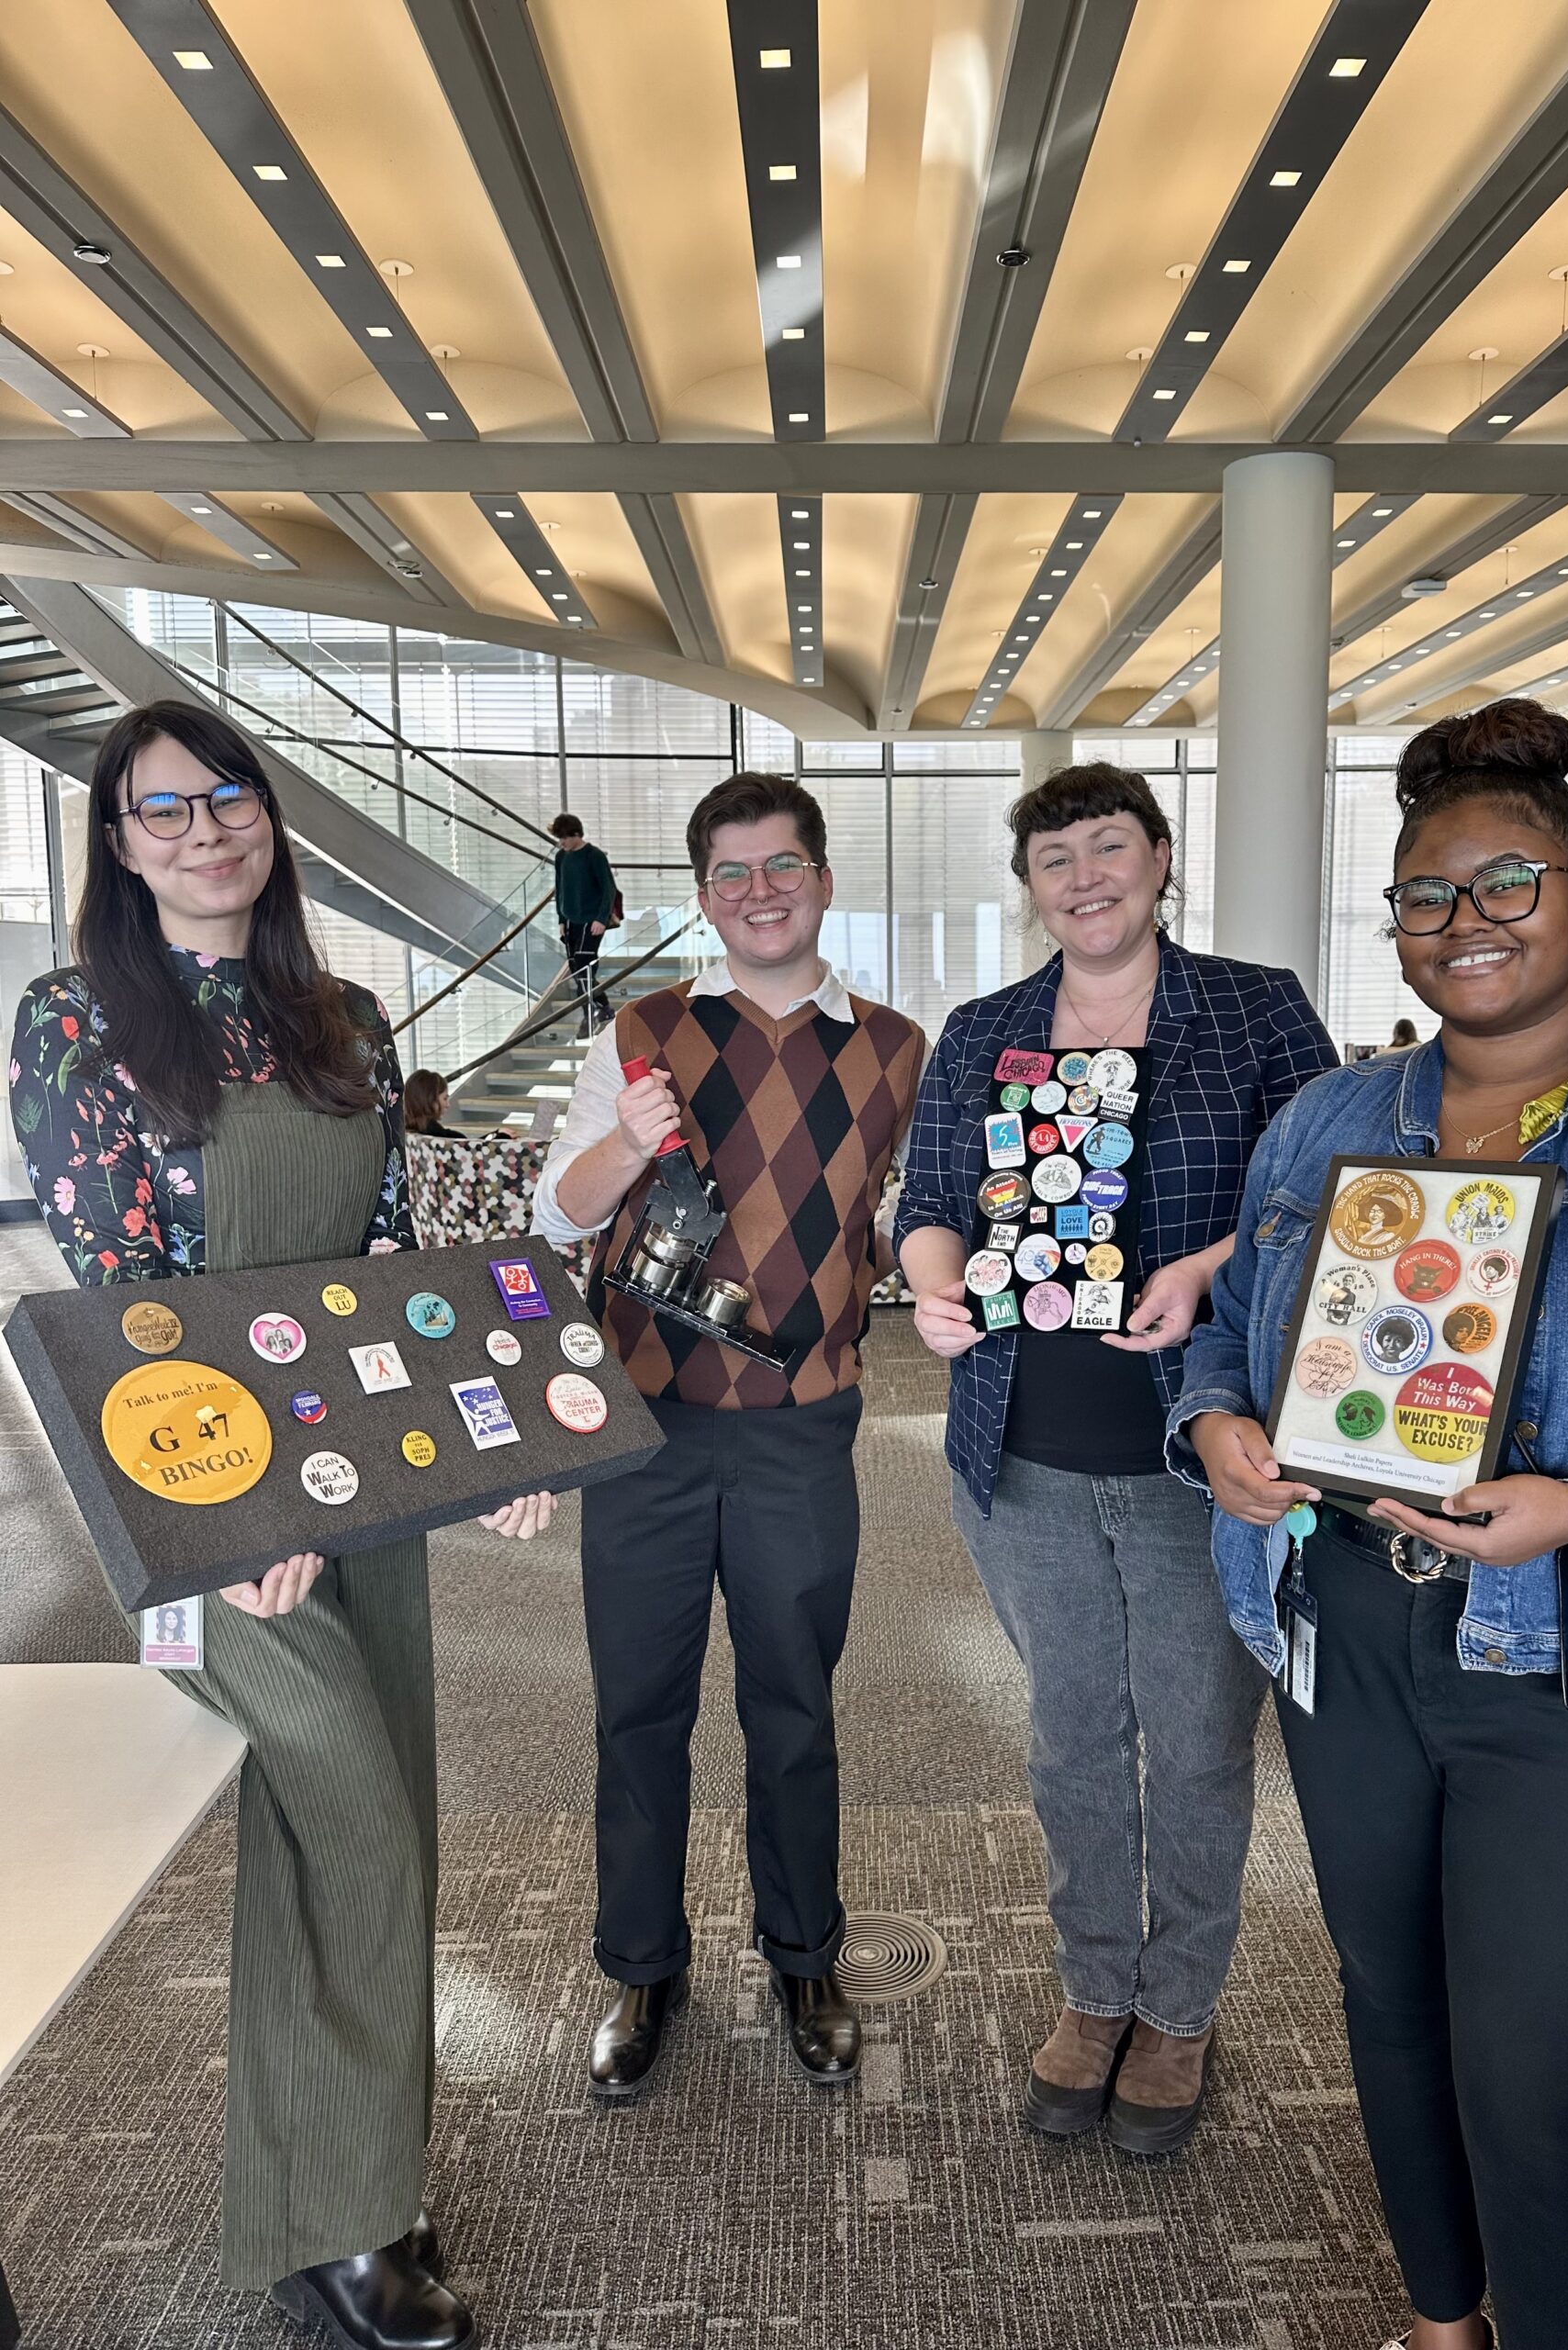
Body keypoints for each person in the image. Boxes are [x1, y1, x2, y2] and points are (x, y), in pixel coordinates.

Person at [1175, 699, 1568, 2350]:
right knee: (1394, 2014)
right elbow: (1232, 1339)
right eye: (1428, 896)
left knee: (1539, 2081)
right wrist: (1215, 1422)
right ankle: (1442, 2321)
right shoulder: (1324, 1125)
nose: (1469, 921)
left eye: (1511, 881)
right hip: (1348, 1630)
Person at [10, 700, 557, 2350]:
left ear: (268, 819)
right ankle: (337, 2219)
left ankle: (355, 2172)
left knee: (380, 1830)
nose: (203, 830)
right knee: (353, 1815)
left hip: (355, 1484)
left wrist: (489, 1448)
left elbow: (397, 1274)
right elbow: (116, 1314)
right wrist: (234, 1520)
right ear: (118, 843)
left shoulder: (345, 1019)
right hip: (199, 1510)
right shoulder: (72, 1022)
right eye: (164, 810)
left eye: (229, 798)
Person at [893, 760, 1337, 2154]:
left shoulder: (1254, 1009)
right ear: (1026, 886)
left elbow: (1332, 1187)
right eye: (1055, 858)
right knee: (1075, 1741)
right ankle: (1095, 1989)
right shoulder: (986, 1027)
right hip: (1020, 1445)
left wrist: (1208, 1268)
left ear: (1159, 857)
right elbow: (932, 1200)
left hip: (1196, 1445)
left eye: (1109, 847)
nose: (1086, 877)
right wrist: (932, 1286)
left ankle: (1182, 2008)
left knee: (1200, 1746)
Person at [532, 772, 924, 2094]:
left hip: (800, 1430)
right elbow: (559, 1214)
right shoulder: (640, 1031)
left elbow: (905, 1225)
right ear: (704, 897)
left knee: (794, 1708)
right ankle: (643, 1973)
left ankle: (805, 1956)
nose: (761, 893)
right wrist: (627, 1147)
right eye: (733, 875)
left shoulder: (894, 1047)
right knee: (637, 1711)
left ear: (822, 876)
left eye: (784, 867)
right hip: (640, 1433)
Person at [549, 812, 617, 1035]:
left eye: (565, 838)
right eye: (560, 839)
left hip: (591, 921)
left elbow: (608, 889)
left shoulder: (594, 856)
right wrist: (561, 919)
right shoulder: (561, 857)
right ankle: (603, 1007)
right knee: (576, 969)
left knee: (584, 967)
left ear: (576, 835)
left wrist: (601, 918)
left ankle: (591, 1014)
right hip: (570, 921)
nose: (562, 843)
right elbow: (560, 888)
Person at [403, 1069, 467, 1137]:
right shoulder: (454, 1140)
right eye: (445, 1099)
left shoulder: (399, 1134)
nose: (448, 1105)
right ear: (430, 1100)